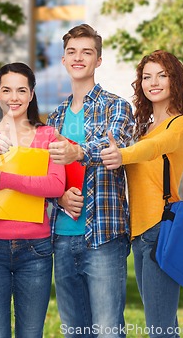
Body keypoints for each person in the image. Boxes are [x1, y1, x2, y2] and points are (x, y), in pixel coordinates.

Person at [46, 24, 134, 338]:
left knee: (108, 331)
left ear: (98, 60)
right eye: (72, 52)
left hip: (104, 237)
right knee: (74, 332)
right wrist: (58, 198)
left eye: (87, 52)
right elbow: (45, 174)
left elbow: (115, 146)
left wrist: (78, 151)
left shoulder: (118, 106)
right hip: (62, 236)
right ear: (64, 60)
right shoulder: (54, 117)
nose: (78, 57)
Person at [100, 50, 183, 338]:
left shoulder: (180, 123)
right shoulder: (141, 127)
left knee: (160, 327)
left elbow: (155, 147)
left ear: (175, 80)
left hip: (161, 229)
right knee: (161, 324)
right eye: (146, 76)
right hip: (138, 232)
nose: (153, 82)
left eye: (162, 75)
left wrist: (123, 154)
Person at [0, 62, 65, 338]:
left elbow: (55, 186)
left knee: (31, 334)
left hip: (35, 250)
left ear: (32, 94)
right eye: (7, 90)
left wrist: (6, 180)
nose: (14, 97)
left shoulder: (48, 135)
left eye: (21, 90)